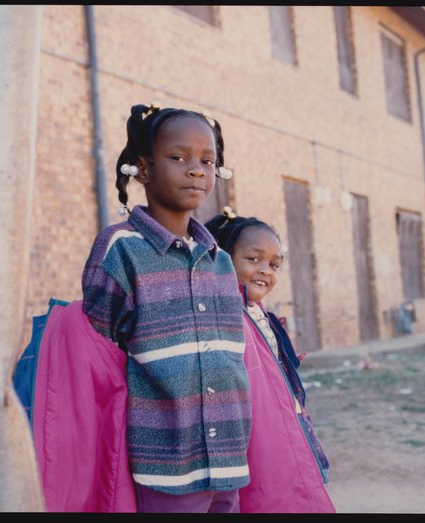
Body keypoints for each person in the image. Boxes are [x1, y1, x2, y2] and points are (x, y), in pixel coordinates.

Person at [78, 103, 251, 513]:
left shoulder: (221, 260)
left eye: (207, 161)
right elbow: (98, 357)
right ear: (143, 169)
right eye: (178, 157)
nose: (196, 170)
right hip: (163, 464)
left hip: (228, 454)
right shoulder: (120, 249)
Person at [204, 209, 336, 513]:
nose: (265, 270)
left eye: (274, 264)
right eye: (253, 259)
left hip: (282, 430)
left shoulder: (261, 315)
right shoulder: (224, 316)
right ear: (223, 260)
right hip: (251, 437)